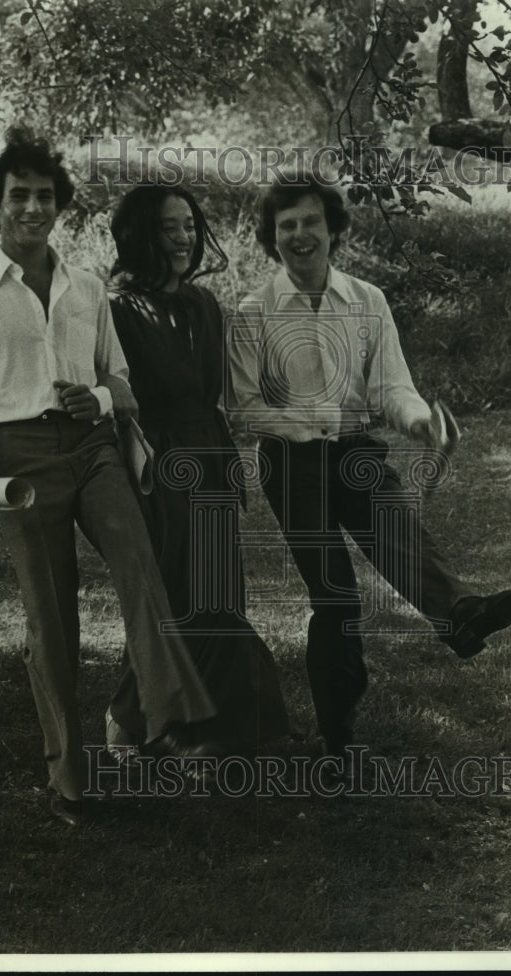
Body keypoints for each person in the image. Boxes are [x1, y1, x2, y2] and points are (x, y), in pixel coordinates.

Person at [0, 129, 220, 828]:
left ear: (59, 205)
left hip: (94, 447)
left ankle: (166, 719)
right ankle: (68, 778)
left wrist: (99, 398)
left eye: (44, 196)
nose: (32, 207)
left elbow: (120, 380)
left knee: (139, 564)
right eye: (18, 195)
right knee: (51, 616)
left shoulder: (87, 289)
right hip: (18, 460)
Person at [225, 173, 511, 765]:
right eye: (286, 225)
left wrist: (420, 423)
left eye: (311, 221)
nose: (300, 234)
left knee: (398, 530)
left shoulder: (367, 300)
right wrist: (306, 425)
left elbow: (392, 387)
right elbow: (243, 407)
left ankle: (462, 612)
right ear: (272, 236)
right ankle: (339, 737)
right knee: (336, 598)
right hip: (291, 463)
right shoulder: (252, 313)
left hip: (356, 452)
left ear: (332, 229)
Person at [101, 184, 290, 758]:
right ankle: (132, 717)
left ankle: (210, 723)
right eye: (169, 227)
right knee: (173, 590)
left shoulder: (205, 304)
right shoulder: (115, 310)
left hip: (210, 455)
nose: (184, 238)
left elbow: (221, 390)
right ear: (141, 235)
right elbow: (114, 394)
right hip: (156, 461)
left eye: (190, 225)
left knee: (217, 589)